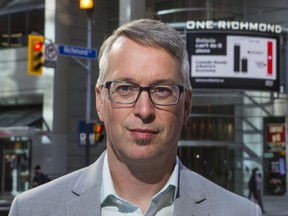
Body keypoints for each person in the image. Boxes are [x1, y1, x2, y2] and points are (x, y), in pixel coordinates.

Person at [9, 19, 261, 216]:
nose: (144, 110)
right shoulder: (31, 209)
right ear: (100, 100)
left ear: (186, 107)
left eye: (162, 91)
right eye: (125, 88)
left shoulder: (241, 212)